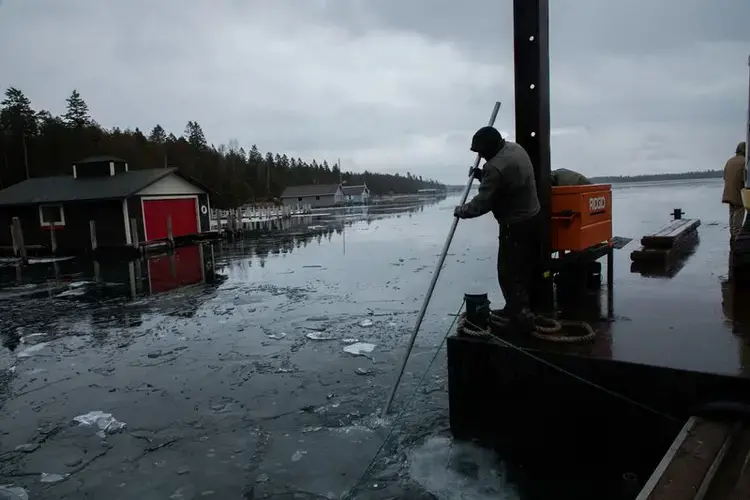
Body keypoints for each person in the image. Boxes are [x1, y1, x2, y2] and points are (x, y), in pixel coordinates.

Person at [453, 126, 541, 334]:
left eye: (481, 152)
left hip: (516, 225)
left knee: (509, 273)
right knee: (522, 269)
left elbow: (482, 203)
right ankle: (516, 309)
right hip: (533, 217)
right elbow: (505, 181)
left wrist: (460, 210)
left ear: (490, 148)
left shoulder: (495, 167)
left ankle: (521, 320)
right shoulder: (515, 149)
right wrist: (480, 174)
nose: (480, 156)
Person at [722, 141, 747, 245]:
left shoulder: (729, 161)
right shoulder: (745, 162)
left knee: (732, 214)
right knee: (738, 214)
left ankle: (732, 237)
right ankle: (736, 238)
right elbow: (745, 179)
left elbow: (724, 176)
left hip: (728, 192)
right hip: (739, 193)